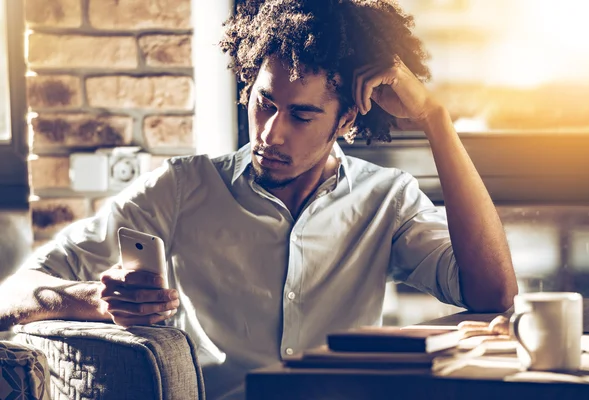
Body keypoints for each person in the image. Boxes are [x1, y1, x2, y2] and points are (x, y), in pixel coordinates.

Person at [0, 0, 518, 398]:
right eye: (265, 103)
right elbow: (11, 295)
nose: (271, 133)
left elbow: (495, 297)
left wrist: (435, 119)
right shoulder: (183, 188)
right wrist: (94, 300)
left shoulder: (388, 201)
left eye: (301, 115)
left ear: (346, 120)